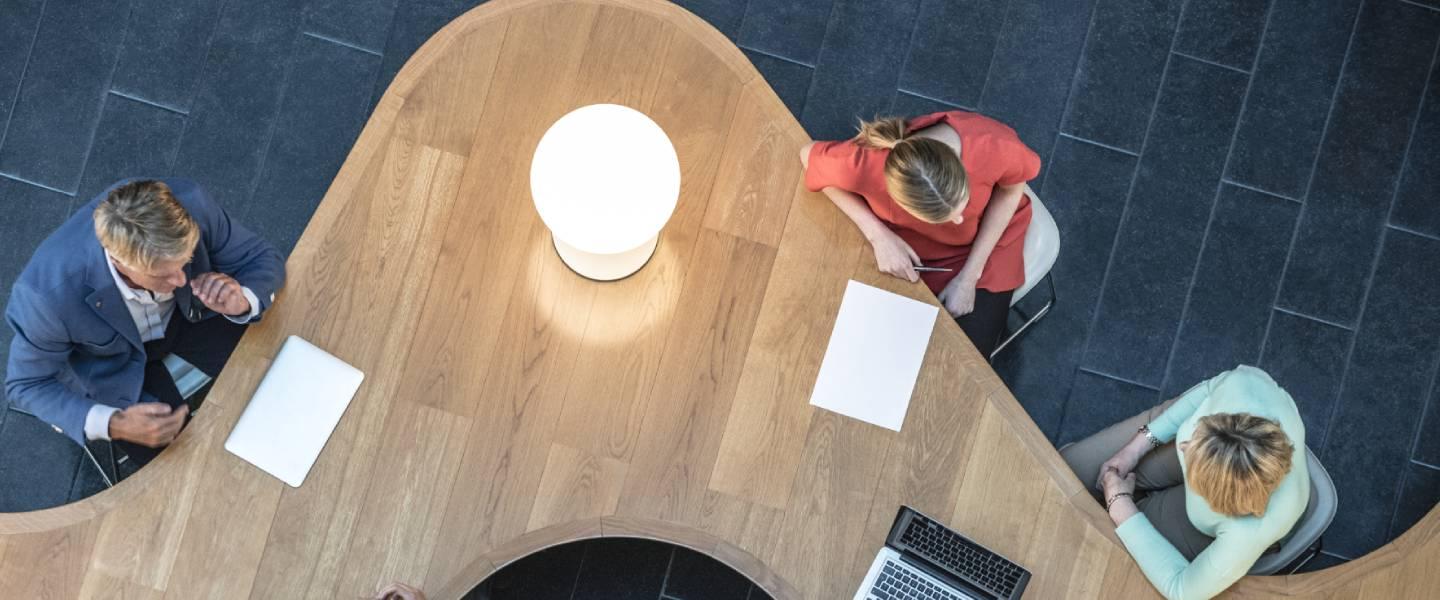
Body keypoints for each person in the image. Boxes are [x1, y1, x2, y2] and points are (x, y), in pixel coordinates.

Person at [5, 178, 285, 474]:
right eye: (163, 274)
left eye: (185, 260)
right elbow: (26, 385)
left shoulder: (191, 205)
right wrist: (113, 423)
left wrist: (242, 301)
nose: (181, 280)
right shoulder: (45, 297)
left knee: (278, 370)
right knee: (187, 474)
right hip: (113, 370)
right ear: (119, 261)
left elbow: (260, 257)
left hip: (192, 315)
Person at [799, 111, 1039, 357]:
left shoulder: (992, 144)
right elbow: (807, 155)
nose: (959, 220)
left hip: (988, 243)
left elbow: (1011, 191)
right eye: (943, 218)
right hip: (913, 248)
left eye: (963, 204)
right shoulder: (865, 164)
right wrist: (878, 235)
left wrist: (969, 277)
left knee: (969, 357)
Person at [1061, 366, 1309, 600]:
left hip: (1210, 522)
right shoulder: (1244, 385)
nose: (1182, 445)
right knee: (1070, 468)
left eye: (1190, 450)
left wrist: (1120, 506)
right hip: (1219, 470)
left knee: (1102, 544)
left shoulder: (1247, 533)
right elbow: (1204, 393)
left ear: (1216, 499)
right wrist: (1135, 448)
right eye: (1197, 434)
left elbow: (1182, 590)